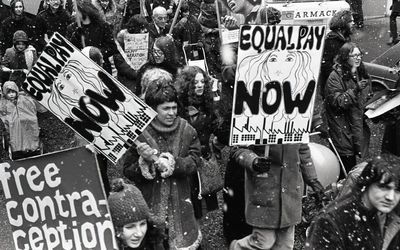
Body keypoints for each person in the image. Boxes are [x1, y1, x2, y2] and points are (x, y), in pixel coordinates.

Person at [122, 82, 202, 249]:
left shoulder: (187, 130)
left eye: (174, 107)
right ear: (153, 109)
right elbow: (128, 170)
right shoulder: (139, 133)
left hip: (182, 203)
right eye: (166, 108)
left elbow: (195, 161)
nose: (172, 113)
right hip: (150, 205)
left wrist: (175, 164)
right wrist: (143, 162)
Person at [306, 155, 400, 249]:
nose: (390, 197)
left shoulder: (393, 215)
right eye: (384, 187)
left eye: (397, 190)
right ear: (367, 184)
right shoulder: (331, 221)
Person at [175, 65, 220, 219]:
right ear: (188, 85)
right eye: (195, 83)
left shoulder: (208, 103)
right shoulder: (180, 106)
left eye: (202, 82)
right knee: (190, 205)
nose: (200, 85)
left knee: (202, 205)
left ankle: (197, 234)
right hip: (189, 159)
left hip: (204, 158)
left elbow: (217, 128)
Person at [324, 42, 372, 178]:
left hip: (357, 126)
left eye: (359, 55)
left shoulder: (362, 73)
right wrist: (355, 90)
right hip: (342, 129)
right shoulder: (335, 76)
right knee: (345, 167)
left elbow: (368, 97)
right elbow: (337, 102)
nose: (358, 58)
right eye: (354, 55)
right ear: (345, 57)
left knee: (358, 166)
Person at [108, 178, 165, 250]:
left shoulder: (154, 243)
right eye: (130, 227)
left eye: (143, 224)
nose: (139, 233)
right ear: (115, 228)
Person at [66, 0, 117, 74]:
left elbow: (112, 47)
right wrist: (75, 37)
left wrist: (95, 54)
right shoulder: (72, 28)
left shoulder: (103, 26)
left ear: (84, 12)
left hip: (101, 69)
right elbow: (70, 49)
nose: (73, 14)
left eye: (76, 11)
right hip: (81, 70)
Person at [0, 81, 47, 160]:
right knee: (16, 137)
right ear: (5, 93)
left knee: (30, 135)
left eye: (13, 92)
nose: (11, 94)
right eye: (9, 93)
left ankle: (34, 149)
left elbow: (39, 106)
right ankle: (18, 152)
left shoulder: (25, 99)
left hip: (28, 123)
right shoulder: (3, 103)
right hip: (13, 126)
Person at [319, 9, 354, 99]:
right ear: (343, 24)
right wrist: (340, 78)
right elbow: (325, 65)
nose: (353, 23)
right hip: (333, 91)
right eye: (351, 21)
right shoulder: (331, 41)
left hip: (342, 88)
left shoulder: (345, 39)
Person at [114, 14, 149, 93]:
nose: (144, 31)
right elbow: (119, 62)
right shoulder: (121, 39)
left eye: (145, 28)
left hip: (142, 76)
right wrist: (136, 73)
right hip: (128, 78)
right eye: (142, 28)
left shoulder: (145, 38)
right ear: (135, 28)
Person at [171, 1, 204, 65]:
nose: (187, 14)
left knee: (195, 63)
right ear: (180, 12)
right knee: (183, 65)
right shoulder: (174, 21)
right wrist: (180, 24)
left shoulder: (193, 19)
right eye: (185, 12)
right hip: (181, 50)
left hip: (194, 47)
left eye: (188, 11)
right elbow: (173, 34)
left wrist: (201, 41)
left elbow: (199, 31)